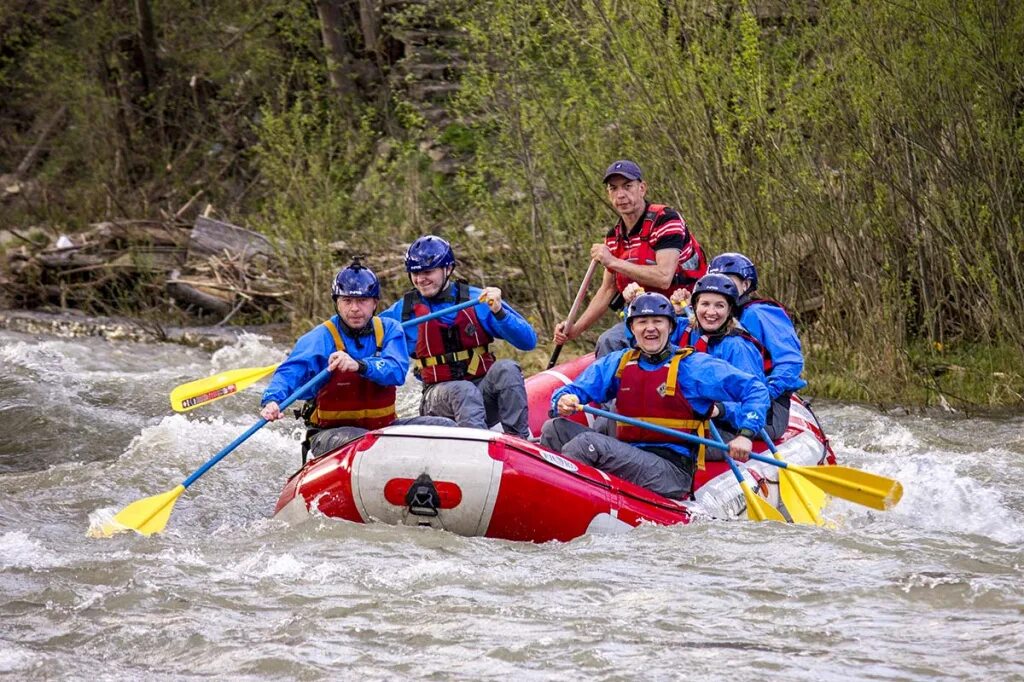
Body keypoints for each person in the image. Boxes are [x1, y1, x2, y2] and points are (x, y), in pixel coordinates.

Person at [540, 292, 770, 500]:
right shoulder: (620, 362)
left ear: (670, 327)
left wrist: (746, 434)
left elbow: (755, 389)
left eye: (658, 321)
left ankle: (565, 501)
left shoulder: (693, 366)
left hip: (670, 470)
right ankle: (548, 499)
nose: (650, 328)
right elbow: (575, 390)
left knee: (586, 444)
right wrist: (561, 399)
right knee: (555, 429)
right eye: (642, 322)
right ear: (632, 328)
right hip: (629, 453)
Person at [260, 260, 454, 461]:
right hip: (329, 435)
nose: (354, 308)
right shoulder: (320, 338)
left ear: (375, 303)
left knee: (448, 428)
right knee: (364, 441)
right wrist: (272, 400)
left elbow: (396, 371)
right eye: (347, 301)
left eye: (362, 301)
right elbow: (289, 373)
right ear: (337, 303)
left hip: (383, 430)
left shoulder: (389, 329)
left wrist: (359, 365)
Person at [380, 235, 538, 439]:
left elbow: (529, 342)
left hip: (482, 392)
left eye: (428, 272)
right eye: (415, 273)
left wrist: (499, 312)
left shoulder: (477, 299)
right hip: (437, 401)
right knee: (463, 391)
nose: (420, 279)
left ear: (448, 269)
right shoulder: (403, 311)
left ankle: (519, 442)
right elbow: (369, 335)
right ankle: (477, 450)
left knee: (507, 369)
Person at [552, 159, 707, 357]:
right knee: (608, 341)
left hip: (683, 314)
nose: (621, 195)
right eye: (613, 188)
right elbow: (607, 290)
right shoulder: (613, 237)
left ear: (642, 188)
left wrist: (613, 262)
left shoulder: (666, 220)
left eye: (627, 187)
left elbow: (664, 276)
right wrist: (575, 328)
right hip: (643, 318)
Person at [708, 252, 807, 438]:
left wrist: (761, 397)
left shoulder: (759, 313)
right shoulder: (711, 315)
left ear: (745, 285)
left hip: (768, 408)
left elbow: (790, 362)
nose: (721, 286)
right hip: (728, 402)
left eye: (728, 280)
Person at [680, 273, 774, 441]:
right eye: (705, 304)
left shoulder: (739, 347)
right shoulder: (686, 330)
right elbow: (646, 336)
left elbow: (754, 398)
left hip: (725, 426)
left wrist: (720, 409)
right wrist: (633, 303)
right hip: (688, 419)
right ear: (694, 306)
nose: (711, 312)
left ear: (730, 309)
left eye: (719, 306)